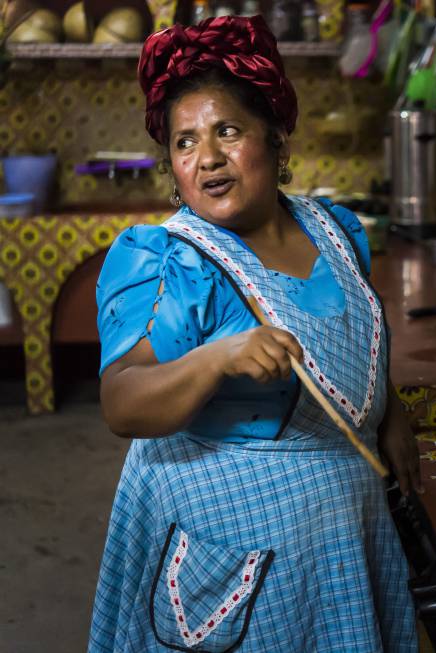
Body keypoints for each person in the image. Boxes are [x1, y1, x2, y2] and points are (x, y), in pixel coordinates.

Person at [89, 15, 419, 652]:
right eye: (185, 142)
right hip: (233, 558)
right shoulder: (171, 262)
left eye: (228, 131)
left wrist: (388, 411)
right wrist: (218, 358)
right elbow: (122, 402)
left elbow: (350, 345)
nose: (207, 158)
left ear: (274, 136)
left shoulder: (335, 230)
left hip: (342, 538)